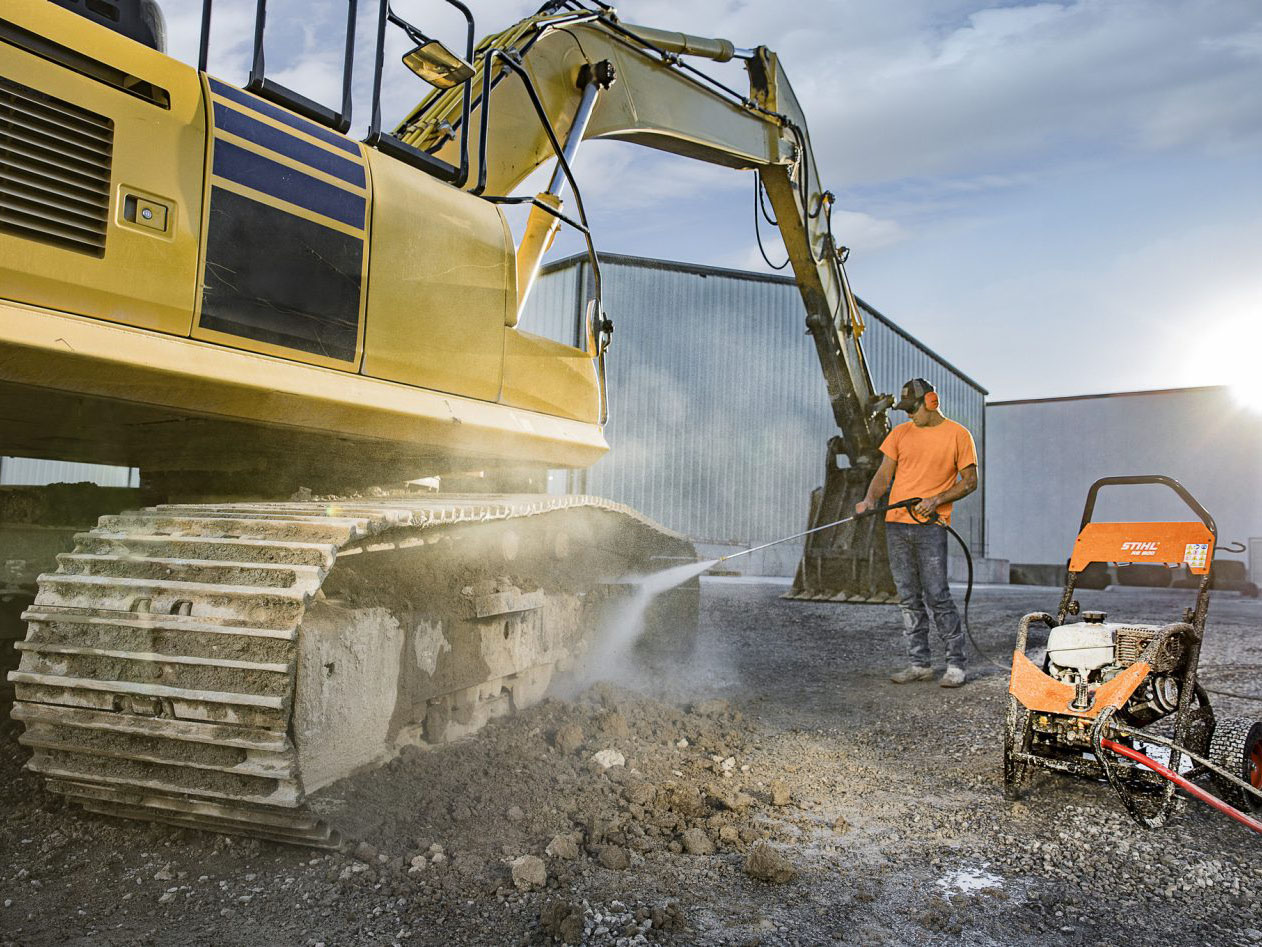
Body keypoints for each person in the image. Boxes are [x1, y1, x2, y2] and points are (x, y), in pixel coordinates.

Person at [856, 378, 978, 687]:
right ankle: (919, 663)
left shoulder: (958, 435)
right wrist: (870, 499)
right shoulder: (900, 434)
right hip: (896, 525)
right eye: (906, 410)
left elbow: (969, 481)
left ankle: (955, 664)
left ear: (931, 401)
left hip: (931, 528)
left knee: (937, 595)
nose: (909, 415)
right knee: (908, 598)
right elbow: (884, 474)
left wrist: (936, 500)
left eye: (913, 409)